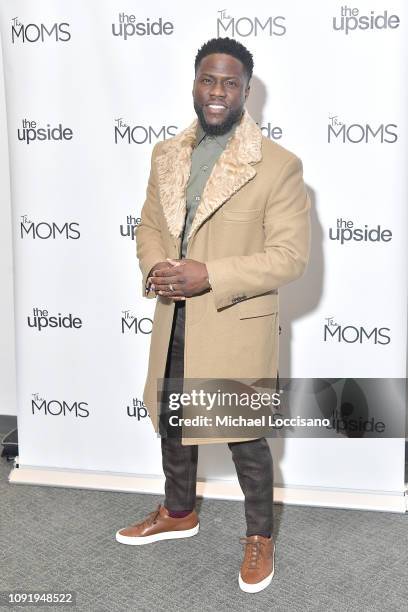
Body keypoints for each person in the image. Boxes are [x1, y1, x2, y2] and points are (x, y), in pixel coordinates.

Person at [116, 37, 311, 594]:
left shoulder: (279, 166)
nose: (218, 92)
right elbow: (149, 225)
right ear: (195, 82)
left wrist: (210, 274)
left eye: (230, 82)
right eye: (209, 79)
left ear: (248, 89)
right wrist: (158, 265)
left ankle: (259, 537)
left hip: (232, 319)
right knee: (174, 416)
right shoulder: (167, 154)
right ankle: (179, 512)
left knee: (244, 437)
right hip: (175, 313)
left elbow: (289, 257)